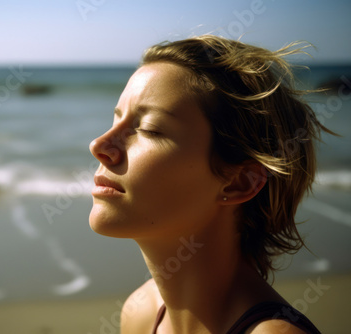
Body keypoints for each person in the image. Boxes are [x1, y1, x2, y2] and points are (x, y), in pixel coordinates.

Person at [89, 35, 330, 333]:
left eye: (149, 129)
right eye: (117, 120)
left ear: (239, 182)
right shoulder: (140, 313)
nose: (99, 145)